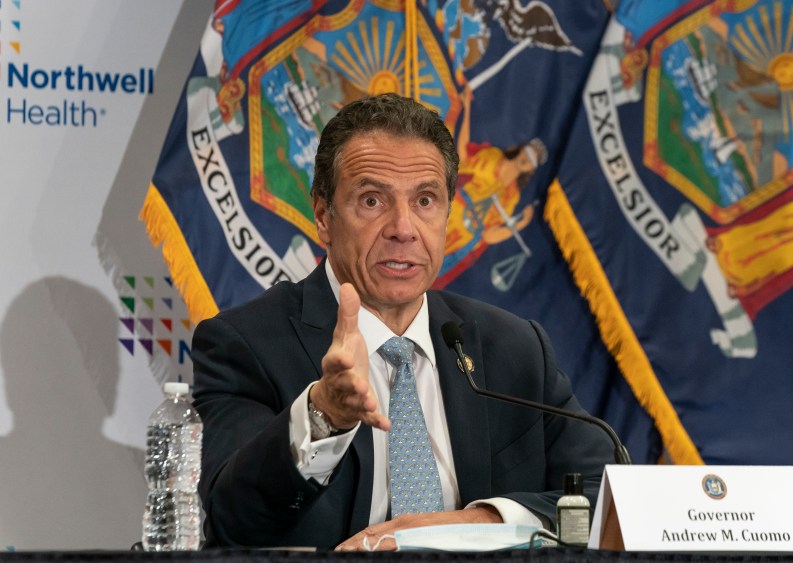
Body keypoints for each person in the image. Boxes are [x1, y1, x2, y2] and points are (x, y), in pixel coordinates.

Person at [192, 93, 613, 550]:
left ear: (448, 214)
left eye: (425, 200)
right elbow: (232, 521)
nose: (404, 228)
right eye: (372, 200)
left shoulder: (512, 348)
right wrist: (323, 415)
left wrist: (476, 524)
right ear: (322, 216)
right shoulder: (247, 345)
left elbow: (609, 498)